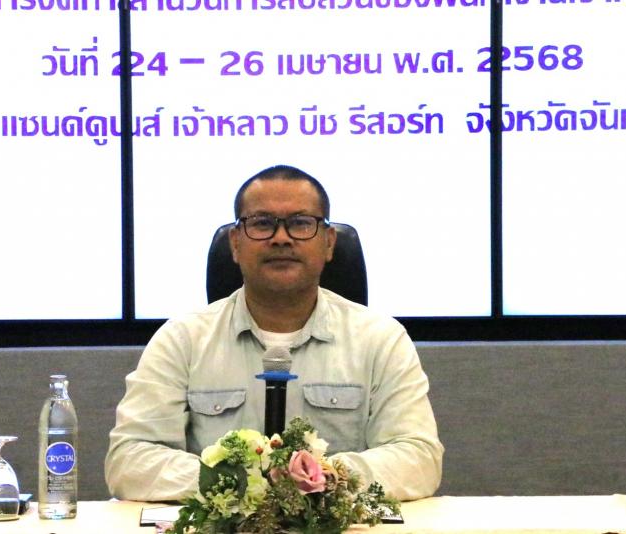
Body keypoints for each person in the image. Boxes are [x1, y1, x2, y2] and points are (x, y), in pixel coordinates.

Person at [105, 164, 444, 502]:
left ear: (328, 243)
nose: (281, 238)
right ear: (235, 243)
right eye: (262, 223)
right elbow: (129, 460)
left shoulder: (380, 339)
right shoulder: (183, 340)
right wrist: (239, 481)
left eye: (301, 223)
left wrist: (318, 478)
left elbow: (419, 457)